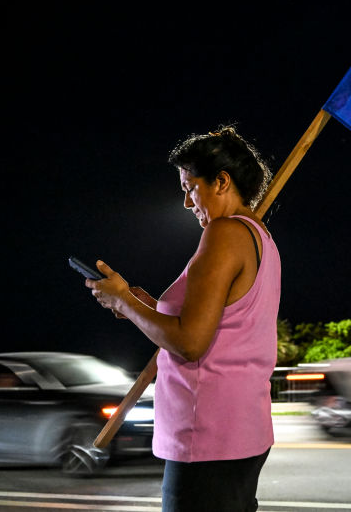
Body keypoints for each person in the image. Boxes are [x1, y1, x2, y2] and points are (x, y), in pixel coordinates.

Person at [84, 125, 279, 511]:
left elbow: (190, 342)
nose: (188, 203)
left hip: (206, 435)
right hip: (242, 429)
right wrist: (145, 306)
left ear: (221, 181)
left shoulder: (224, 234)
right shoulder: (261, 237)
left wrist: (125, 302)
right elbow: (223, 326)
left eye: (191, 187)